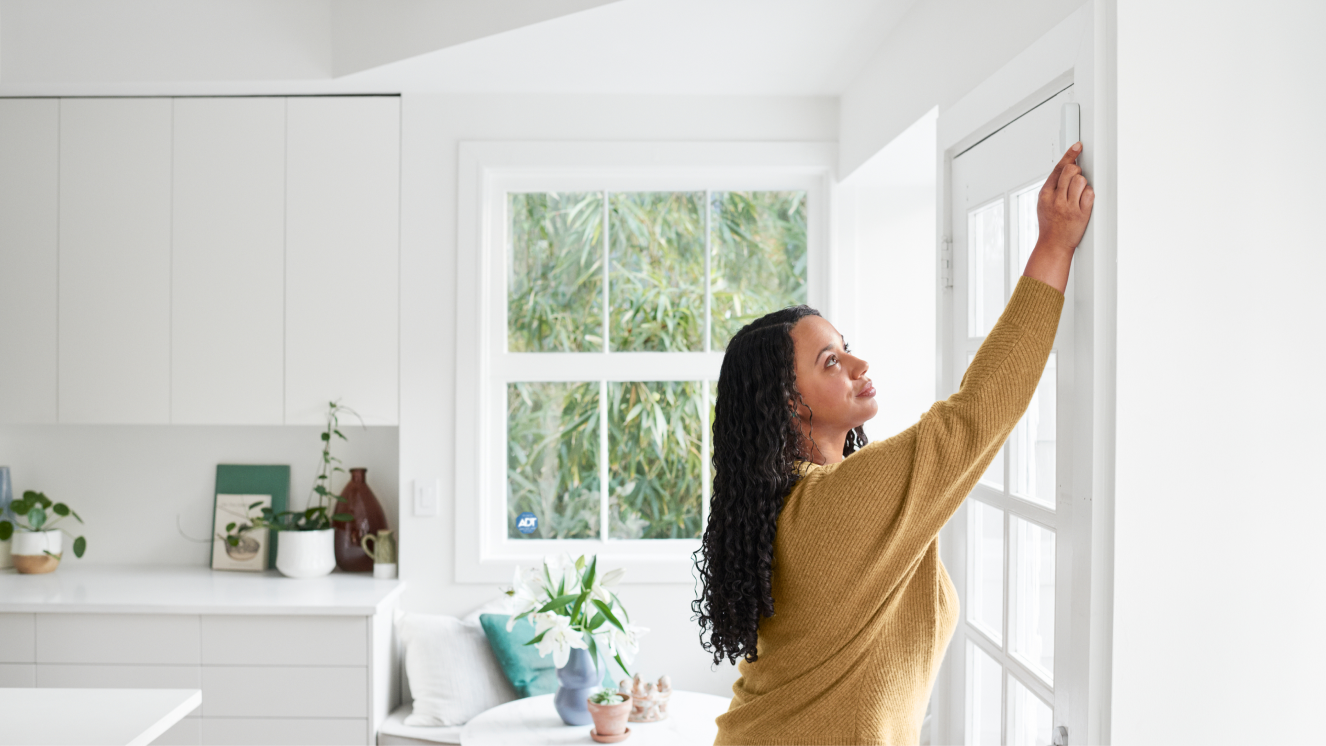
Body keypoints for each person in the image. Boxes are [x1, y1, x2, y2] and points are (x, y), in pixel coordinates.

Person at [692, 144, 1094, 745]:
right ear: (790, 403)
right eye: (831, 361)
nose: (858, 362)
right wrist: (1053, 246)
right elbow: (975, 415)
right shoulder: (828, 508)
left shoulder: (812, 500)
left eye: (845, 345)